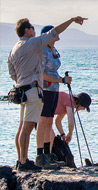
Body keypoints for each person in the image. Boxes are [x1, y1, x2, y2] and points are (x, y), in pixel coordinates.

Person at [7, 16, 87, 171]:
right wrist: (71, 20)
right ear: (27, 30)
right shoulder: (32, 43)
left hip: (20, 90)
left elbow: (12, 73)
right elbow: (55, 31)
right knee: (27, 128)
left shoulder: (14, 49)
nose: (34, 31)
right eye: (32, 29)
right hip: (32, 90)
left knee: (21, 127)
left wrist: (23, 79)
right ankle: (24, 162)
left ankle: (20, 160)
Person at [35, 25, 72, 169]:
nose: (58, 36)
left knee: (49, 120)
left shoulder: (53, 49)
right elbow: (41, 73)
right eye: (55, 34)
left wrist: (62, 79)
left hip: (54, 89)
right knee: (43, 120)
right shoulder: (43, 50)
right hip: (45, 89)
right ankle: (40, 155)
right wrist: (61, 80)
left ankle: (48, 154)